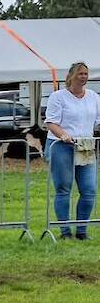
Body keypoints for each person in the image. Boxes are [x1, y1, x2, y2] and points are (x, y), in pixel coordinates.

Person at [44, 62, 100, 240]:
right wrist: (63, 135)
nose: (83, 77)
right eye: (80, 74)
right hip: (62, 146)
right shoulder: (58, 96)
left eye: (85, 74)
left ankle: (82, 231)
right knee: (64, 188)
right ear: (71, 76)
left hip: (85, 146)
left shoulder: (93, 96)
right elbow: (51, 122)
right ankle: (65, 231)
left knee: (89, 189)